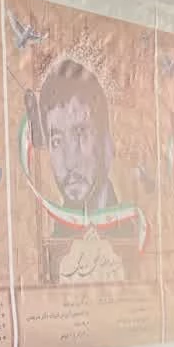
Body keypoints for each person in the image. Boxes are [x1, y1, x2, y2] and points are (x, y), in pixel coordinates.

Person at [40, 58, 123, 238]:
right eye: (56, 141)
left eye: (80, 133)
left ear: (106, 145)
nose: (69, 163)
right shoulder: (55, 242)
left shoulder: (130, 231)